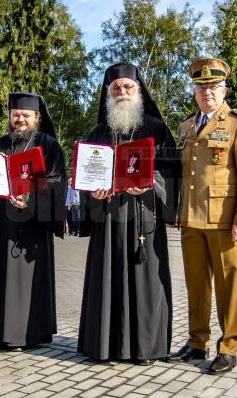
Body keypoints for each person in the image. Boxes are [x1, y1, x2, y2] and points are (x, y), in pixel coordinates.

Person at [78, 63, 180, 366]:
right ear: (108, 94)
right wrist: (92, 191)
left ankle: (145, 349)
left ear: (139, 92)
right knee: (107, 277)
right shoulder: (98, 132)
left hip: (143, 216)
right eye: (116, 89)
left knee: (145, 281)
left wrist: (151, 184)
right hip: (108, 219)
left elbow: (173, 171)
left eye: (127, 88)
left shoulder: (157, 128)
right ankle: (105, 345)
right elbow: (86, 172)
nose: (122, 93)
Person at [172, 58, 237, 375]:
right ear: (194, 91)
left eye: (213, 86)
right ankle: (198, 341)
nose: (207, 91)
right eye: (201, 86)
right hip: (191, 220)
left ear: (224, 89)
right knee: (196, 286)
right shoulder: (185, 126)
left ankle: (229, 346)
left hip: (225, 221)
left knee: (228, 287)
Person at [0, 92, 67, 350]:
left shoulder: (49, 146)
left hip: (32, 227)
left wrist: (31, 201)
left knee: (27, 282)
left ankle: (27, 335)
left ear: (37, 118)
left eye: (26, 115)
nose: (20, 119)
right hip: (0, 226)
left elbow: (57, 183)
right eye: (16, 115)